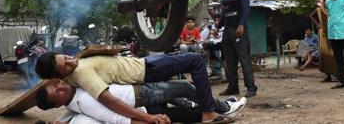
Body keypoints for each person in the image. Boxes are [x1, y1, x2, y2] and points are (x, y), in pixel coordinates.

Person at [35, 51, 223, 123]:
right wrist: (147, 118)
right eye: (65, 64)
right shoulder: (82, 75)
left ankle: (220, 108)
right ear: (60, 75)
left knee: (176, 97)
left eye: (65, 57)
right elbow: (110, 102)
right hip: (146, 71)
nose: (70, 60)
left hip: (142, 66)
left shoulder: (69, 79)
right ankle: (209, 111)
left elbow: (70, 105)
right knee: (195, 61)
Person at [35, 79, 246, 124]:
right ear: (57, 104)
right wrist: (148, 119)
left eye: (55, 85)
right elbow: (115, 117)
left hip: (140, 94)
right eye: (57, 93)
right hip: (139, 97)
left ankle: (213, 112)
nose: (59, 87)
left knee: (177, 99)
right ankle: (225, 108)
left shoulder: (72, 96)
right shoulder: (83, 102)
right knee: (183, 88)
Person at [219, 0, 258, 98]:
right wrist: (219, 25)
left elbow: (246, 9)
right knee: (230, 60)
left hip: (239, 29)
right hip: (227, 30)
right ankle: (233, 87)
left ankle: (251, 88)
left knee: (244, 58)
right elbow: (224, 13)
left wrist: (241, 25)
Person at [309, 5, 334, 82]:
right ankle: (328, 75)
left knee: (334, 53)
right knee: (324, 54)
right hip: (323, 33)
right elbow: (311, 15)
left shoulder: (332, 8)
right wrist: (317, 24)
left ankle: (337, 74)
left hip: (332, 32)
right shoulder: (319, 9)